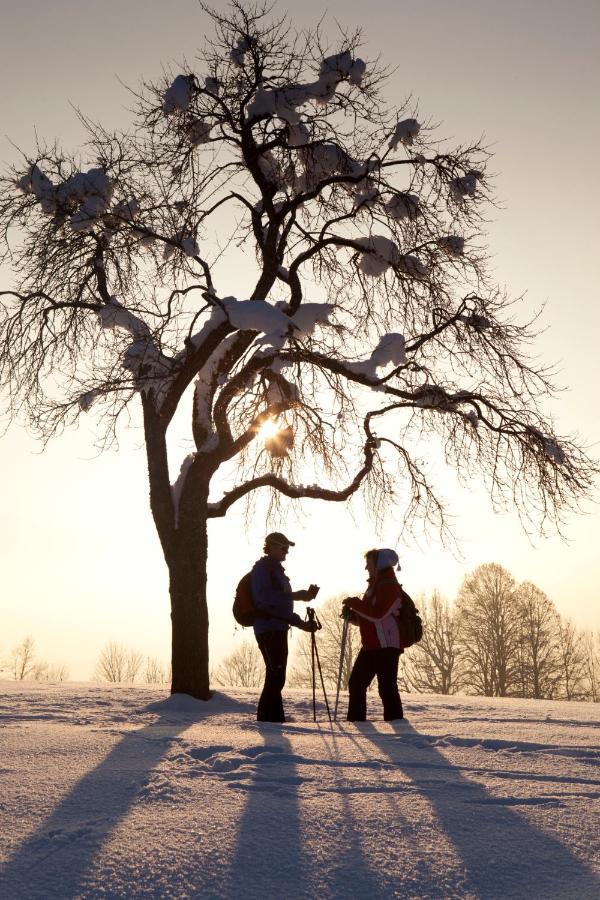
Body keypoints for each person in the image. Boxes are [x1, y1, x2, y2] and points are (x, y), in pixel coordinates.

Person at [251, 532, 319, 723]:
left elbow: (281, 607)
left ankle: (274, 718)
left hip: (278, 628)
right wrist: (296, 596)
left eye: (287, 548)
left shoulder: (276, 571)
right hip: (268, 629)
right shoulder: (262, 569)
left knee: (277, 676)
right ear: (271, 547)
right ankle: (268, 720)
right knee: (276, 675)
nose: (286, 552)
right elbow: (264, 598)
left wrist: (302, 624)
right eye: (283, 548)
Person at [343, 548, 404, 722]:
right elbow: (369, 616)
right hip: (372, 644)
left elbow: (378, 615)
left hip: (386, 645)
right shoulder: (375, 586)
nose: (366, 568)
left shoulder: (389, 586)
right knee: (357, 683)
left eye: (369, 563)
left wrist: (355, 604)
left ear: (379, 564)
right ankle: (357, 723)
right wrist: (352, 617)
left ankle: (399, 728)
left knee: (386, 688)